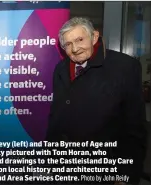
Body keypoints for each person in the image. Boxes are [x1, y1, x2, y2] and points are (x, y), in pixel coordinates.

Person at [46, 17, 147, 185]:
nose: (75, 49)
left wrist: (125, 175)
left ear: (94, 37)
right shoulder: (61, 69)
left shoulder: (124, 67)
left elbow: (135, 128)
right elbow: (56, 115)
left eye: (79, 39)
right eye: (68, 44)